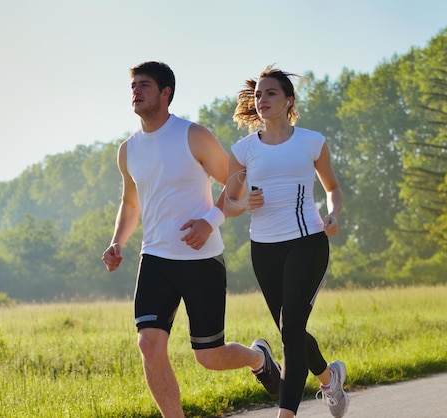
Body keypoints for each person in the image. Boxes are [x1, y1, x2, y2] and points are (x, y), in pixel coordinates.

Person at [101, 61, 281, 418]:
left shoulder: (192, 135)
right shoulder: (128, 150)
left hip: (202, 261)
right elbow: (130, 201)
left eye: (145, 85)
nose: (135, 91)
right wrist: (117, 240)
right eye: (133, 85)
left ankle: (258, 357)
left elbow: (236, 180)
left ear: (165, 93)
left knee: (209, 357)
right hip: (154, 259)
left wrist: (209, 221)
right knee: (149, 344)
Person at [223, 66, 348, 418]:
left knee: (291, 328)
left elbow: (333, 188)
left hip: (307, 240)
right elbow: (227, 203)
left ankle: (287, 415)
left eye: (271, 93)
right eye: (258, 94)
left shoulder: (311, 141)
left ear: (288, 100)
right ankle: (329, 377)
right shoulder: (243, 150)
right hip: (263, 249)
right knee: (289, 329)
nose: (262, 99)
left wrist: (333, 214)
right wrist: (244, 203)